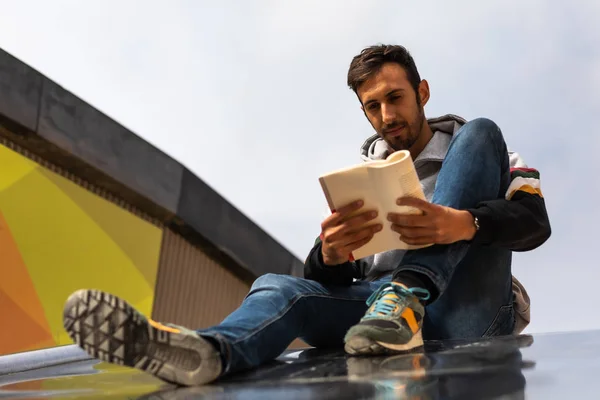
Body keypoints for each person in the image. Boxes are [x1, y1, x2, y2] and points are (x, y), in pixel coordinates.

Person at [61, 44, 550, 386]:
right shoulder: (368, 176)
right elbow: (332, 278)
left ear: (422, 92)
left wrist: (463, 223)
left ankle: (410, 294)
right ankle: (208, 352)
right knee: (280, 286)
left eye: (395, 98)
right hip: (373, 314)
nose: (386, 116)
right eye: (372, 107)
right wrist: (330, 254)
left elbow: (534, 222)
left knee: (484, 129)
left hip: (463, 305)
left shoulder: (481, 149)